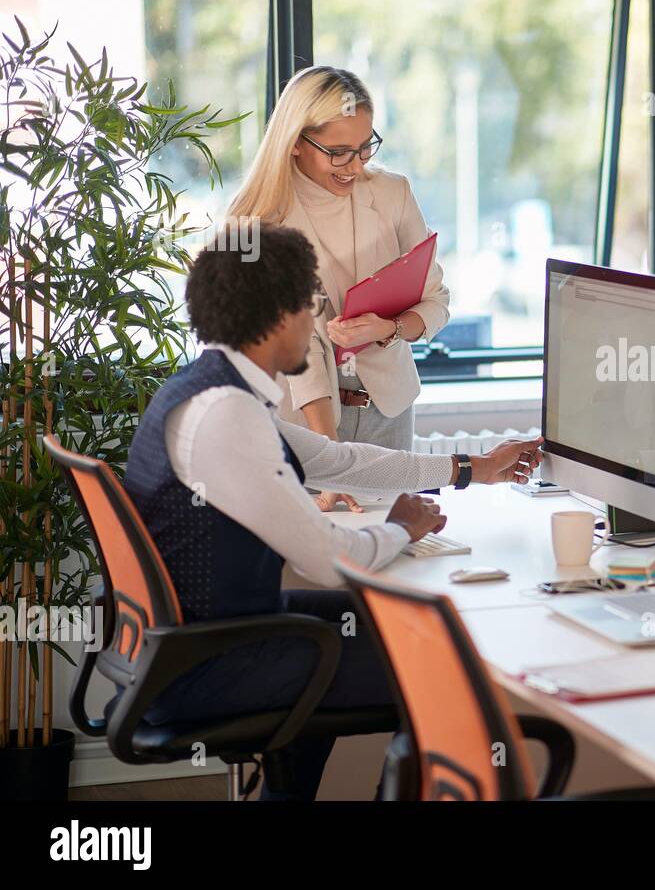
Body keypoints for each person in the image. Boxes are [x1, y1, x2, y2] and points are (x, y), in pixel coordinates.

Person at [122, 224, 541, 800]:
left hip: (197, 641)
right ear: (277, 314)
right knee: (436, 661)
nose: (318, 321)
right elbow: (329, 559)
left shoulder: (207, 391)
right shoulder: (227, 417)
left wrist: (472, 468)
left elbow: (342, 462)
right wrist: (399, 528)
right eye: (313, 304)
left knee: (393, 620)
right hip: (207, 666)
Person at [228, 65, 446, 513]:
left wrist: (389, 329)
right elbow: (298, 347)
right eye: (339, 152)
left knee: (391, 546)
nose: (356, 165)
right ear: (295, 144)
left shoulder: (393, 194)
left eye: (366, 147)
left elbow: (437, 301)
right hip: (304, 418)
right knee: (316, 559)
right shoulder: (256, 223)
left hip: (386, 409)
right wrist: (329, 456)